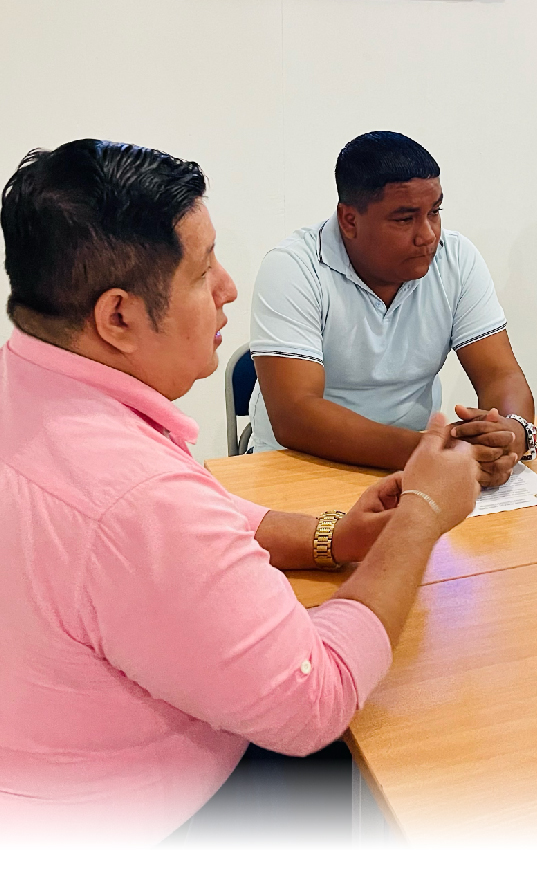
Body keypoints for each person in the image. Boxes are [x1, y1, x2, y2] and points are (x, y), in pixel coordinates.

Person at [0, 140, 479, 838]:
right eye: (203, 271)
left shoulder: (34, 386)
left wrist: (331, 536)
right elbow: (313, 701)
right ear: (118, 317)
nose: (227, 287)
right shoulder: (137, 498)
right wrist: (423, 516)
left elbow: (200, 504)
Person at [249, 131, 537, 488]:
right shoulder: (294, 267)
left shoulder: (456, 259)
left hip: (412, 466)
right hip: (299, 465)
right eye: (404, 219)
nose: (427, 235)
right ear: (349, 221)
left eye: (435, 212)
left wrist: (510, 434)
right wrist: (433, 451)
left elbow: (500, 374)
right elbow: (295, 414)